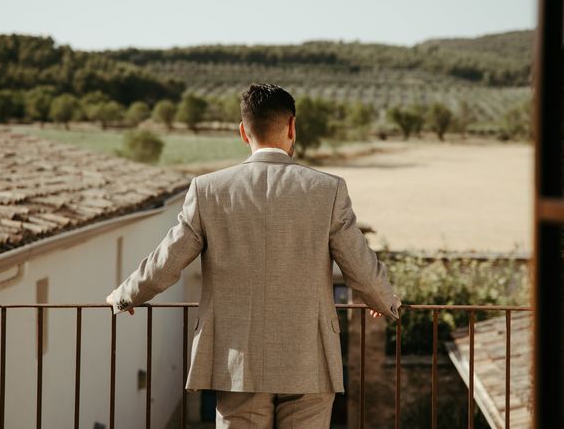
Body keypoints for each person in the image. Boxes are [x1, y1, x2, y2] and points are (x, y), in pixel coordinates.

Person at [106, 83, 401, 428]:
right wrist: (385, 301)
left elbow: (167, 260)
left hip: (237, 363)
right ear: (292, 127)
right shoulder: (327, 190)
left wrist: (125, 296)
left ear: (243, 132)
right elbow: (360, 266)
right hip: (310, 359)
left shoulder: (208, 190)